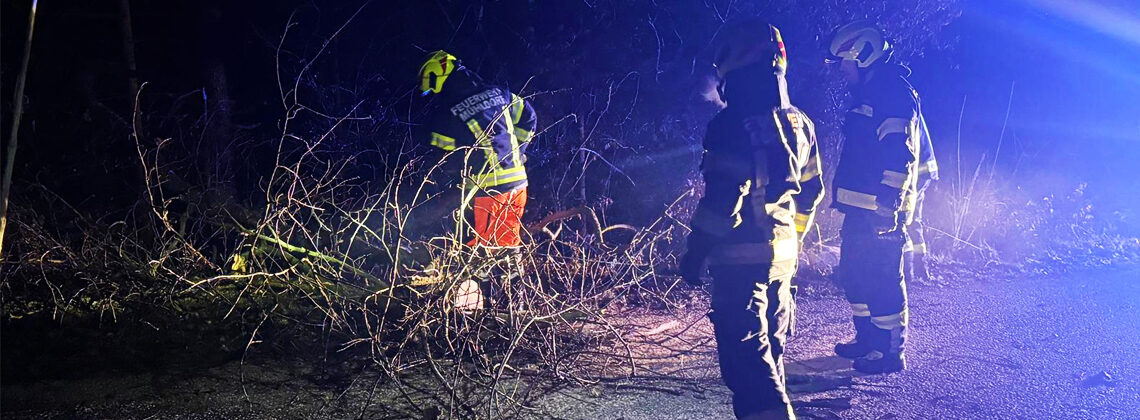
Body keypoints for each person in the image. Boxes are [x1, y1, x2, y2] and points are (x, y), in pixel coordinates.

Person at [680, 20, 825, 420]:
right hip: (783, 259)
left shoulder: (729, 126)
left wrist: (695, 253)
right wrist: (790, 240)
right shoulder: (801, 122)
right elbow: (813, 193)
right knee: (769, 356)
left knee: (747, 363)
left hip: (740, 262)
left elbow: (723, 201)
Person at [825, 21, 929, 374]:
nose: (842, 68)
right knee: (854, 274)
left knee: (882, 278)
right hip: (860, 209)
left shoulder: (892, 95)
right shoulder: (870, 95)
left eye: (845, 61)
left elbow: (899, 154)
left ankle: (889, 352)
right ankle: (867, 339)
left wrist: (889, 203)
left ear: (863, 58)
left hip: (882, 211)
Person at [414, 51, 537, 308]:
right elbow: (529, 117)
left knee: (484, 256)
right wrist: (519, 151)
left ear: (438, 78)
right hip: (518, 184)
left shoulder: (449, 113)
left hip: (488, 192)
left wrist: (444, 182)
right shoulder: (498, 93)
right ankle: (515, 311)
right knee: (507, 248)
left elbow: (443, 158)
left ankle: (494, 319)